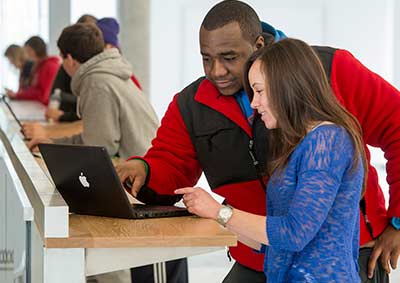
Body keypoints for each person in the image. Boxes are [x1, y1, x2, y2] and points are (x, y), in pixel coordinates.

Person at [116, 0, 400, 282]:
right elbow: (170, 163)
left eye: (229, 57)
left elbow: (296, 231)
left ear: (259, 45)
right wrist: (144, 169)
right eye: (206, 58)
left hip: (336, 260)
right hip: (261, 253)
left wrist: (398, 222)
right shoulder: (190, 105)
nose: (216, 71)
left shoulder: (331, 76)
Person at [176, 37, 367, 282]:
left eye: (259, 91)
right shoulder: (302, 142)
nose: (254, 104)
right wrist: (214, 214)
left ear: (287, 86)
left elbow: (294, 233)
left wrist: (221, 211)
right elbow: (275, 244)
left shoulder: (328, 140)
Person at [27, 23, 158, 161]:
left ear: (70, 60)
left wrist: (56, 149)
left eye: (62, 57)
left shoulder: (97, 83)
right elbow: (92, 138)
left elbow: (99, 149)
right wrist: (53, 144)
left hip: (140, 175)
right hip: (142, 163)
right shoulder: (106, 74)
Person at [45, 14, 98, 123]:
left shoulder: (99, 76)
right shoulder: (69, 65)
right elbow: (55, 94)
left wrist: (63, 115)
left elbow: (92, 116)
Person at [5, 36, 59, 105]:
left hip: (43, 108)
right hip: (37, 106)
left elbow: (44, 95)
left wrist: (18, 95)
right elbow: (33, 89)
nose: (25, 54)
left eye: (27, 50)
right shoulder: (39, 66)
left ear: (32, 50)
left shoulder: (50, 66)